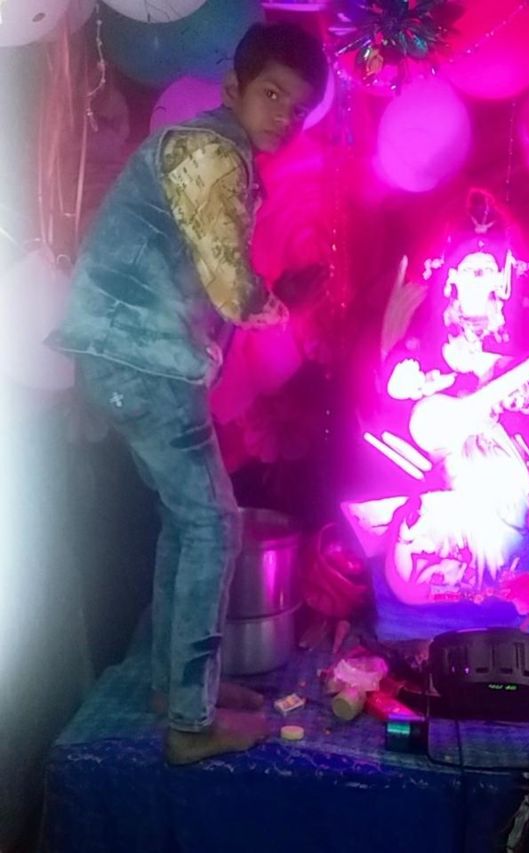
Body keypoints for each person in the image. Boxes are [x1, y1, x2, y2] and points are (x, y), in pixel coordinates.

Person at [47, 22, 329, 765]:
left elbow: (218, 282)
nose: (284, 116)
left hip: (131, 354)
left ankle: (174, 688)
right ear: (235, 88)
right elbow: (232, 287)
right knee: (212, 524)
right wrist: (278, 302)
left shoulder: (213, 147)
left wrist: (275, 298)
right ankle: (190, 723)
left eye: (299, 107)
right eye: (272, 94)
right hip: (140, 356)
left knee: (188, 518)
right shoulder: (210, 153)